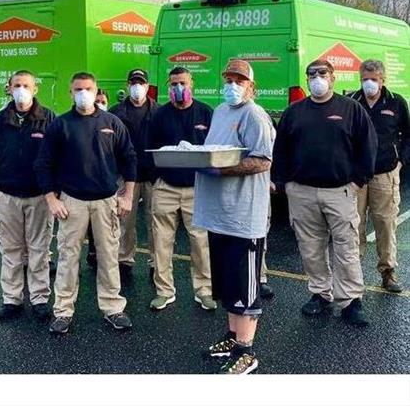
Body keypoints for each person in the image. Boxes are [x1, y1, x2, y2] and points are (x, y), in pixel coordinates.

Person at [272, 59, 377, 328]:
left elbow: (368, 146)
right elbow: (281, 149)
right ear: (306, 79)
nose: (317, 78)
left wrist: (358, 181)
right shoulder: (294, 112)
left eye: (322, 73)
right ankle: (320, 294)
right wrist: (284, 183)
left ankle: (351, 301)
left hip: (340, 191)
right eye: (312, 74)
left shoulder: (351, 109)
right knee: (311, 247)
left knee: (346, 248)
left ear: (333, 78)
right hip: (302, 192)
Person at [35, 72, 137, 334]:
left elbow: (129, 159)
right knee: (68, 258)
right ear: (71, 93)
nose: (83, 93)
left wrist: (127, 195)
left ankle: (113, 307)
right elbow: (44, 163)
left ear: (95, 91)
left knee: (108, 257)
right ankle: (63, 311)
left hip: (105, 201)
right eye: (78, 89)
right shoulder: (60, 125)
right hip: (72, 202)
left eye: (88, 88)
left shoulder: (112, 122)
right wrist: (51, 199)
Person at [194, 60, 275, 375]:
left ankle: (247, 350)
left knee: (245, 286)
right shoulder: (220, 111)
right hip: (220, 214)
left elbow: (262, 160)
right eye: (228, 79)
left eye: (239, 80)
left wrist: (222, 169)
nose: (232, 85)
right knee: (227, 282)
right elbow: (215, 149)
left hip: (244, 217)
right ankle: (231, 337)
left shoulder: (255, 115)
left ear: (251, 86)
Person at [0, 70, 55, 321]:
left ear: (35, 89)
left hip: (39, 197)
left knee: (39, 250)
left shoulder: (48, 119)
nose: (21, 90)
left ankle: (40, 299)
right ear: (9, 89)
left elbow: (58, 156)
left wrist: (53, 191)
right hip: (7, 197)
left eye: (26, 85)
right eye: (17, 85)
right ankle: (12, 300)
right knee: (10, 252)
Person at [147, 66, 216, 311]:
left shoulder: (206, 113)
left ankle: (204, 290)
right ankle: (164, 291)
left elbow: (213, 151)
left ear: (192, 84)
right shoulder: (159, 115)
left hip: (196, 189)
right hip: (165, 188)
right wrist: (157, 180)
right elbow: (149, 149)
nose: (179, 88)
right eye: (174, 84)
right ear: (168, 86)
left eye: (183, 83)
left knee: (200, 242)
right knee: (161, 242)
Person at [349, 59, 409, 293]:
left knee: (385, 224)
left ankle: (388, 272)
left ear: (383, 79)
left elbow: (407, 136)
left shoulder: (396, 102)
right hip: (356, 176)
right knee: (354, 225)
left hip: (385, 173)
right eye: (365, 79)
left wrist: (400, 162)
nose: (369, 83)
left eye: (374, 79)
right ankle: (353, 274)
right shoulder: (352, 102)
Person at [109, 69, 159, 281]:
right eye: (133, 82)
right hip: (125, 174)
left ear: (147, 86)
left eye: (141, 83)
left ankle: (156, 261)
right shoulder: (115, 112)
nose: (137, 87)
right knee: (124, 221)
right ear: (128, 84)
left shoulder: (159, 111)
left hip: (152, 174)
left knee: (155, 220)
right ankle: (124, 259)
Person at [85, 87, 111, 268]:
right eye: (98, 101)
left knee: (108, 229)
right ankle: (92, 252)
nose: (100, 105)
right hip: (83, 186)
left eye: (103, 102)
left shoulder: (113, 123)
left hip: (107, 185)